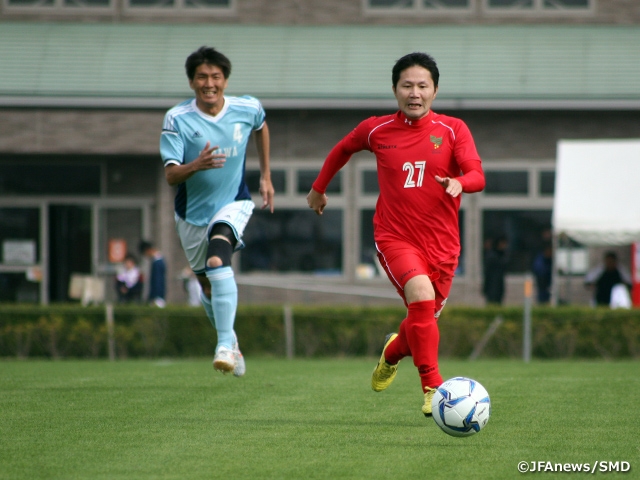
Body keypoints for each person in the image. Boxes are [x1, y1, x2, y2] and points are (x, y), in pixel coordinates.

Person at [307, 52, 485, 418]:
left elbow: (477, 176)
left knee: (423, 321)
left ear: (435, 90)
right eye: (407, 85)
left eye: (423, 85)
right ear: (395, 90)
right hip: (394, 237)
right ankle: (433, 388)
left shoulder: (453, 130)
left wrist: (459, 182)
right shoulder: (376, 129)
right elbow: (343, 149)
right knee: (419, 295)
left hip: (443, 245)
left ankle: (392, 352)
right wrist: (318, 188)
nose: (415, 93)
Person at [160, 46, 274, 376]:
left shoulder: (247, 107)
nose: (209, 83)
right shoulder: (177, 119)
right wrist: (196, 165)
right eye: (202, 77)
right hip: (191, 214)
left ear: (225, 80)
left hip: (233, 203)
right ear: (192, 82)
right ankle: (232, 343)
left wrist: (265, 176)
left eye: (216, 77)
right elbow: (170, 175)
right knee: (207, 285)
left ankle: (224, 344)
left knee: (217, 260)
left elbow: (261, 126)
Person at [139, 240, 167, 308]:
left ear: (148, 250)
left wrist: (155, 296)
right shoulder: (158, 260)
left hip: (157, 296)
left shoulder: (157, 262)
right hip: (158, 295)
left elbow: (158, 280)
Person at [482, 235, 509, 305]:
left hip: (499, 285)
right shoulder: (492, 256)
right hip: (492, 285)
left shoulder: (502, 255)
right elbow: (487, 273)